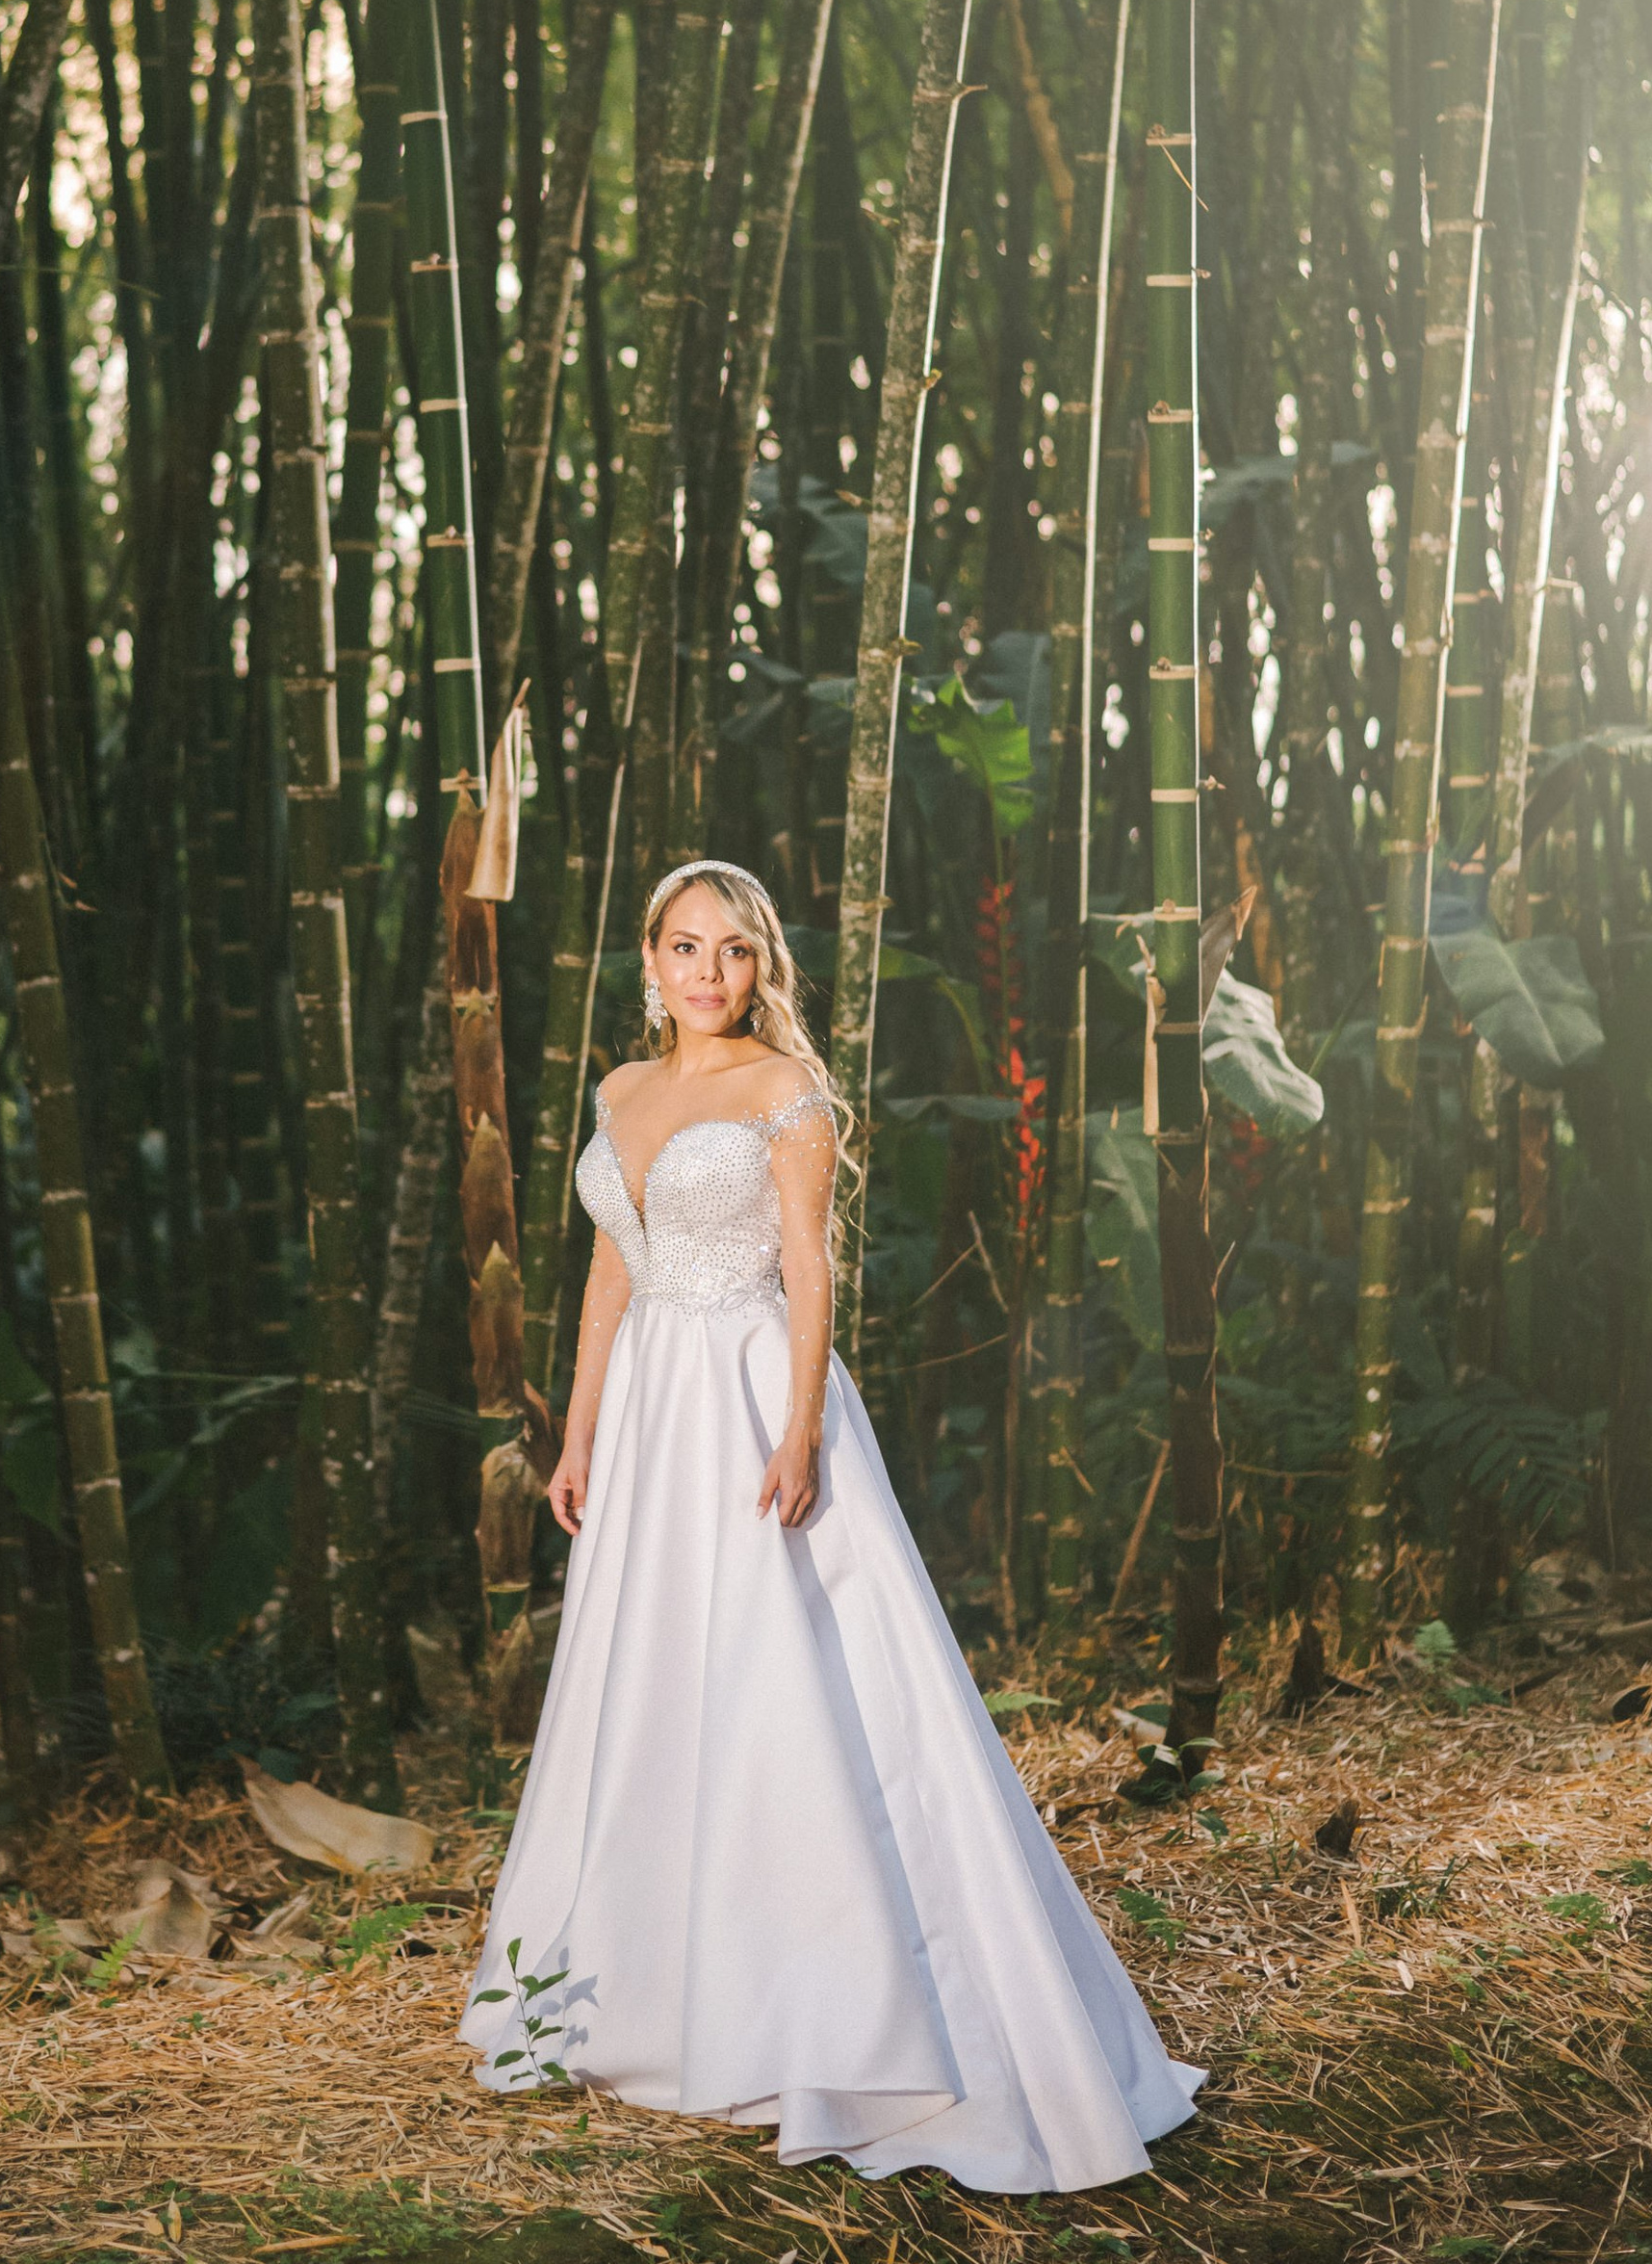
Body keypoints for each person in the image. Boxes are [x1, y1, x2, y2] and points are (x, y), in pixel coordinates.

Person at [460, 856, 1202, 2191]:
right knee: (658, 1677)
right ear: (652, 963)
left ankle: (838, 2014)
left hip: (749, 1391)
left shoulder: (784, 1089)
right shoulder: (621, 1092)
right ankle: (653, 1994)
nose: (709, 973)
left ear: (762, 968)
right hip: (649, 1411)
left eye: (734, 951)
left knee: (782, 1678)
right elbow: (610, 1274)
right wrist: (575, 1434)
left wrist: (798, 1431)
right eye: (686, 948)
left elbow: (810, 1267)